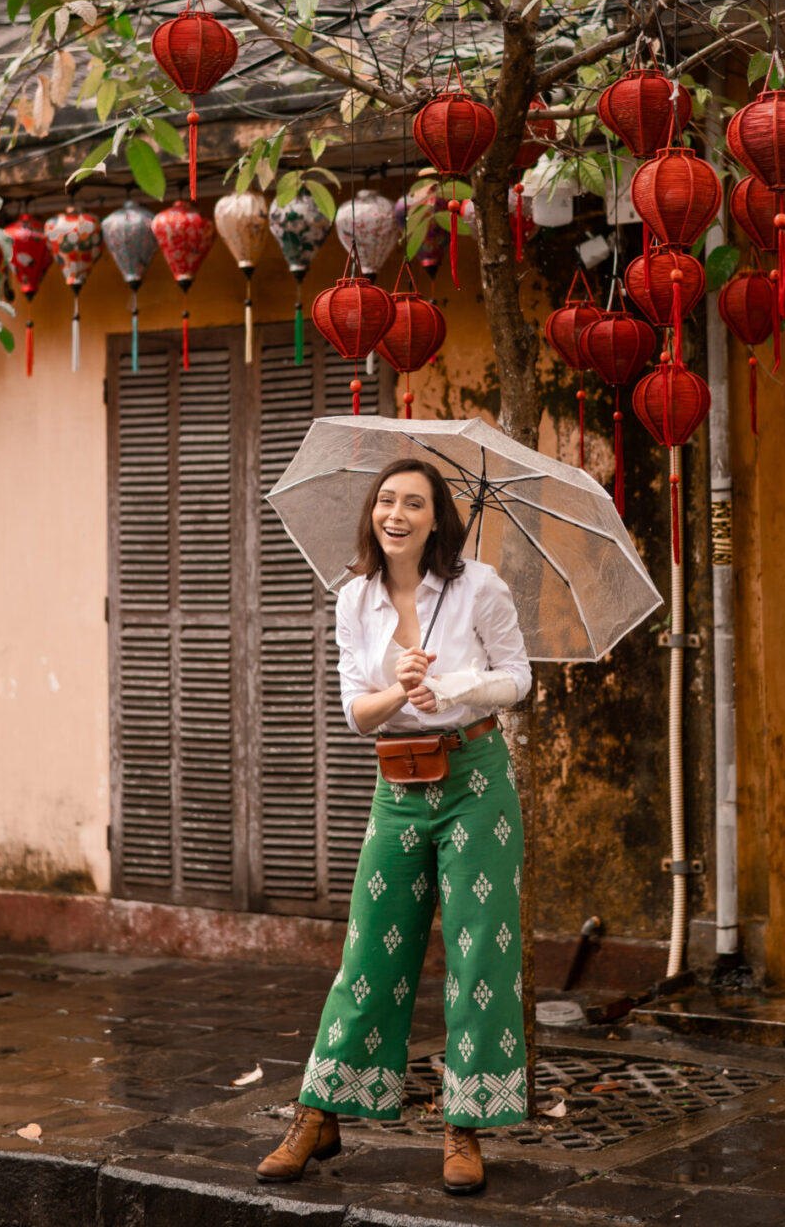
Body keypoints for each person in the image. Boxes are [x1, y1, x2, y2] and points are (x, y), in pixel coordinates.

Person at [257, 458, 532, 1196]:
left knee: (478, 954)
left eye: (414, 502)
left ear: (438, 518)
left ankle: (463, 1126)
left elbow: (519, 677)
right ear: (373, 514)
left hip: (476, 781)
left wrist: (449, 685)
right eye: (386, 500)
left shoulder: (480, 586)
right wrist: (397, 690)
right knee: (369, 949)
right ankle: (318, 1114)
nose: (396, 513)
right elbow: (355, 710)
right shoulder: (356, 598)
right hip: (397, 783)